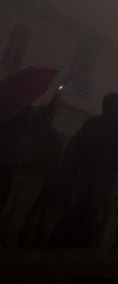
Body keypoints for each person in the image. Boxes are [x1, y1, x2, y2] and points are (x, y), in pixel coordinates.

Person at [53, 92, 118, 248]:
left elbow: (79, 145)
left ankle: (63, 239)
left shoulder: (93, 123)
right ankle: (80, 242)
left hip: (90, 169)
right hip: (105, 173)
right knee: (92, 208)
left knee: (78, 204)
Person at [0, 100, 62, 248]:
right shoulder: (52, 135)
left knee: (10, 205)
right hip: (36, 176)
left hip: (20, 171)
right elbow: (55, 158)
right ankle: (10, 240)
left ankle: (1, 234)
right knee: (22, 209)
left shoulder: (27, 130)